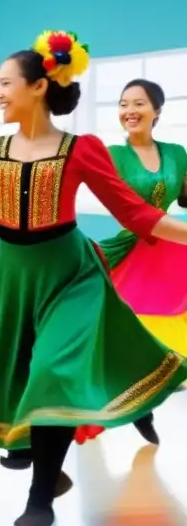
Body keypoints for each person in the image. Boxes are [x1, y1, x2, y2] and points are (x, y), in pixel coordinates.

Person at [0, 31, 187, 526]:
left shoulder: (81, 149)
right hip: (16, 279)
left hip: (72, 276)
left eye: (6, 83)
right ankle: (46, 470)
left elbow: (139, 216)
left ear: (40, 85)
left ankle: (39, 498)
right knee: (18, 381)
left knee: (52, 372)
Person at [97, 79, 186, 445]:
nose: (129, 111)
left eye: (139, 103)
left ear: (157, 112)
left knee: (165, 330)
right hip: (127, 248)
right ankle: (133, 409)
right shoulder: (110, 155)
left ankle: (149, 400)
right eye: (123, 104)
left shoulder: (178, 153)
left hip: (167, 250)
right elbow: (124, 210)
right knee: (117, 332)